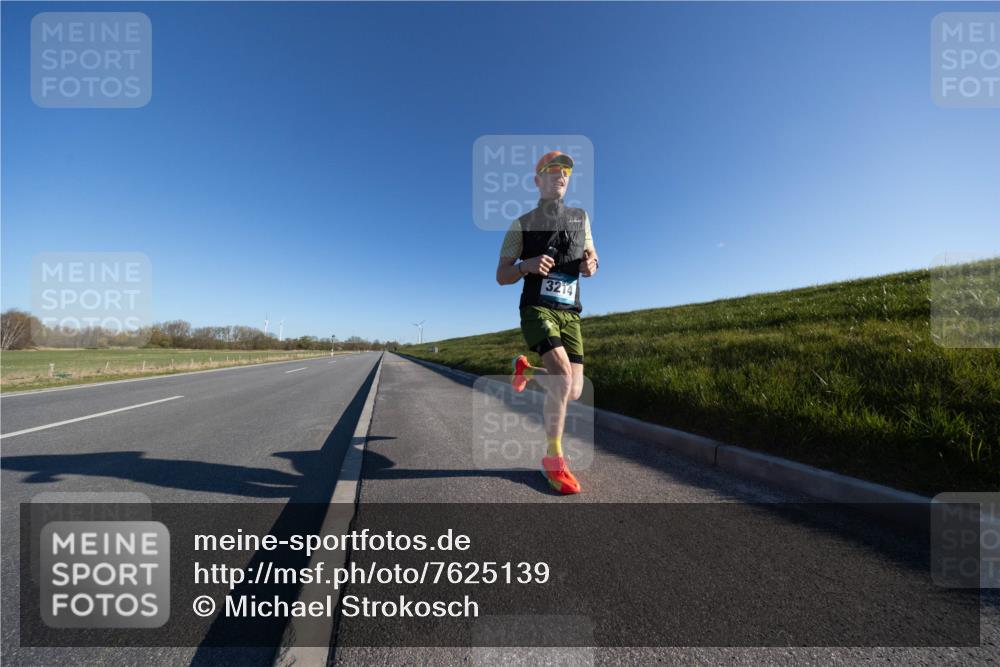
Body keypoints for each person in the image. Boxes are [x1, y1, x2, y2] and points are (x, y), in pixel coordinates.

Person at [495, 150, 599, 495]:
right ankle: (553, 460)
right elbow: (502, 275)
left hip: (570, 313)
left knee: (573, 389)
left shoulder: (580, 217)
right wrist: (526, 265)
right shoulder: (521, 224)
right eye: (552, 170)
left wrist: (591, 264)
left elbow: (591, 255)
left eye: (566, 170)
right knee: (563, 378)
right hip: (537, 308)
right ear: (537, 180)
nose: (561, 175)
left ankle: (523, 369)